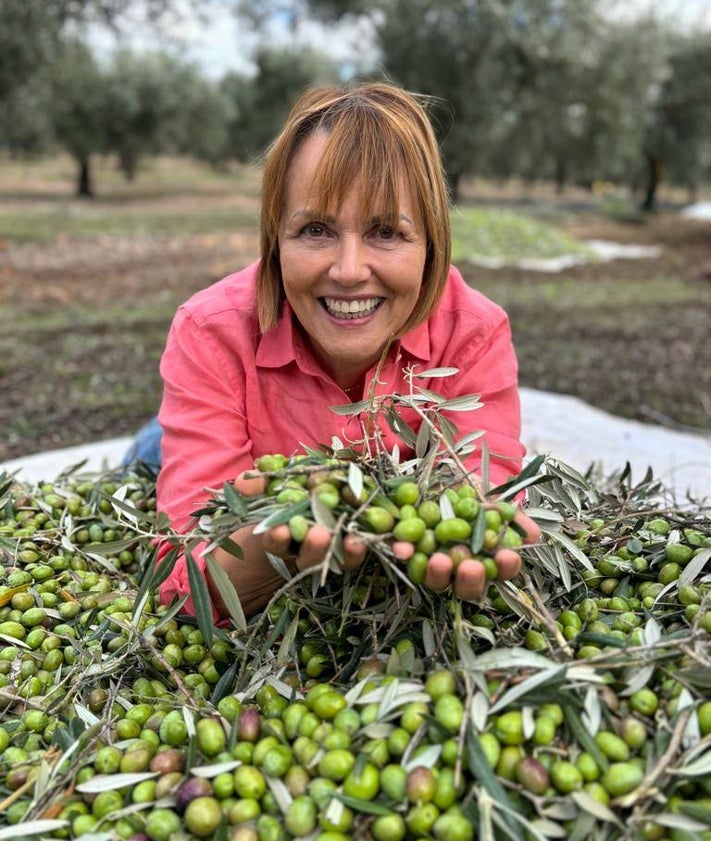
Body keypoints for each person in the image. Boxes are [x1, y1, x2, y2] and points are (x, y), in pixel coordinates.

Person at [151, 81, 540, 621]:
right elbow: (179, 575)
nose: (350, 270)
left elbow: (485, 490)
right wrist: (270, 545)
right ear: (274, 240)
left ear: (431, 242)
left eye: (386, 231)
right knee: (148, 455)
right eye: (315, 229)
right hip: (208, 410)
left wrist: (472, 533)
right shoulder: (209, 330)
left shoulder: (473, 332)